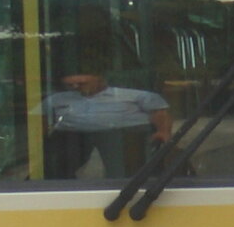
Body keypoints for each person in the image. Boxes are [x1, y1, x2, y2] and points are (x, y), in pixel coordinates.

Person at [41, 72, 172, 178]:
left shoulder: (137, 95)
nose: (76, 87)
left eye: (81, 83)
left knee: (122, 170)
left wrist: (163, 132)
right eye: (71, 85)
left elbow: (159, 112)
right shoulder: (57, 98)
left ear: (100, 79)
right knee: (55, 168)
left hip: (123, 134)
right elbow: (41, 118)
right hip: (72, 135)